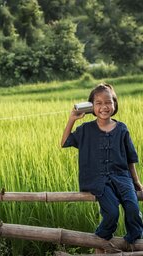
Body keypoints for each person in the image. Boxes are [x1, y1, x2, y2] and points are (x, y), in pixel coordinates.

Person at [61, 83, 143, 251]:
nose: (104, 107)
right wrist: (72, 119)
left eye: (108, 102)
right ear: (91, 107)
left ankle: (133, 242)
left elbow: (130, 158)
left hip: (122, 177)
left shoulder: (122, 129)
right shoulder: (86, 129)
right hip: (97, 180)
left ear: (114, 104)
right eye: (98, 103)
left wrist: (137, 181)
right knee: (111, 213)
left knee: (133, 210)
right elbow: (65, 142)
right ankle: (101, 239)